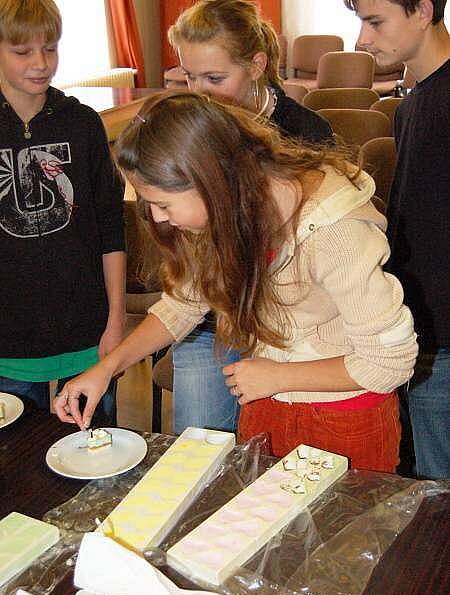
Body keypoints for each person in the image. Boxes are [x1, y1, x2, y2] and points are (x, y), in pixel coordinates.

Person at [55, 90, 418, 472]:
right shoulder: (227, 209)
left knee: (344, 530)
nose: (159, 219)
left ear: (210, 179)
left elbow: (389, 362)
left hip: (345, 418)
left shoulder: (336, 233)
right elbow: (182, 306)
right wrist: (107, 368)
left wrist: (279, 376)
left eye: (163, 204)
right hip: (265, 398)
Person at [164, 0, 332, 434]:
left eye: (215, 78)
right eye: (189, 76)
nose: (199, 92)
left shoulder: (306, 133)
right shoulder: (191, 128)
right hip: (211, 317)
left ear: (257, 65)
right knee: (198, 449)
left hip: (289, 321)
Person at [0, 0, 126, 424]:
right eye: (22, 52)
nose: (40, 63)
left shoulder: (84, 123)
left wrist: (115, 320)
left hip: (87, 334)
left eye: (50, 49)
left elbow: (111, 229)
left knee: (97, 454)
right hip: (8, 343)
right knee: (18, 473)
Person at [344, 0, 449, 479]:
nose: (363, 40)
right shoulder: (413, 107)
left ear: (423, 11)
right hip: (421, 321)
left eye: (375, 21)